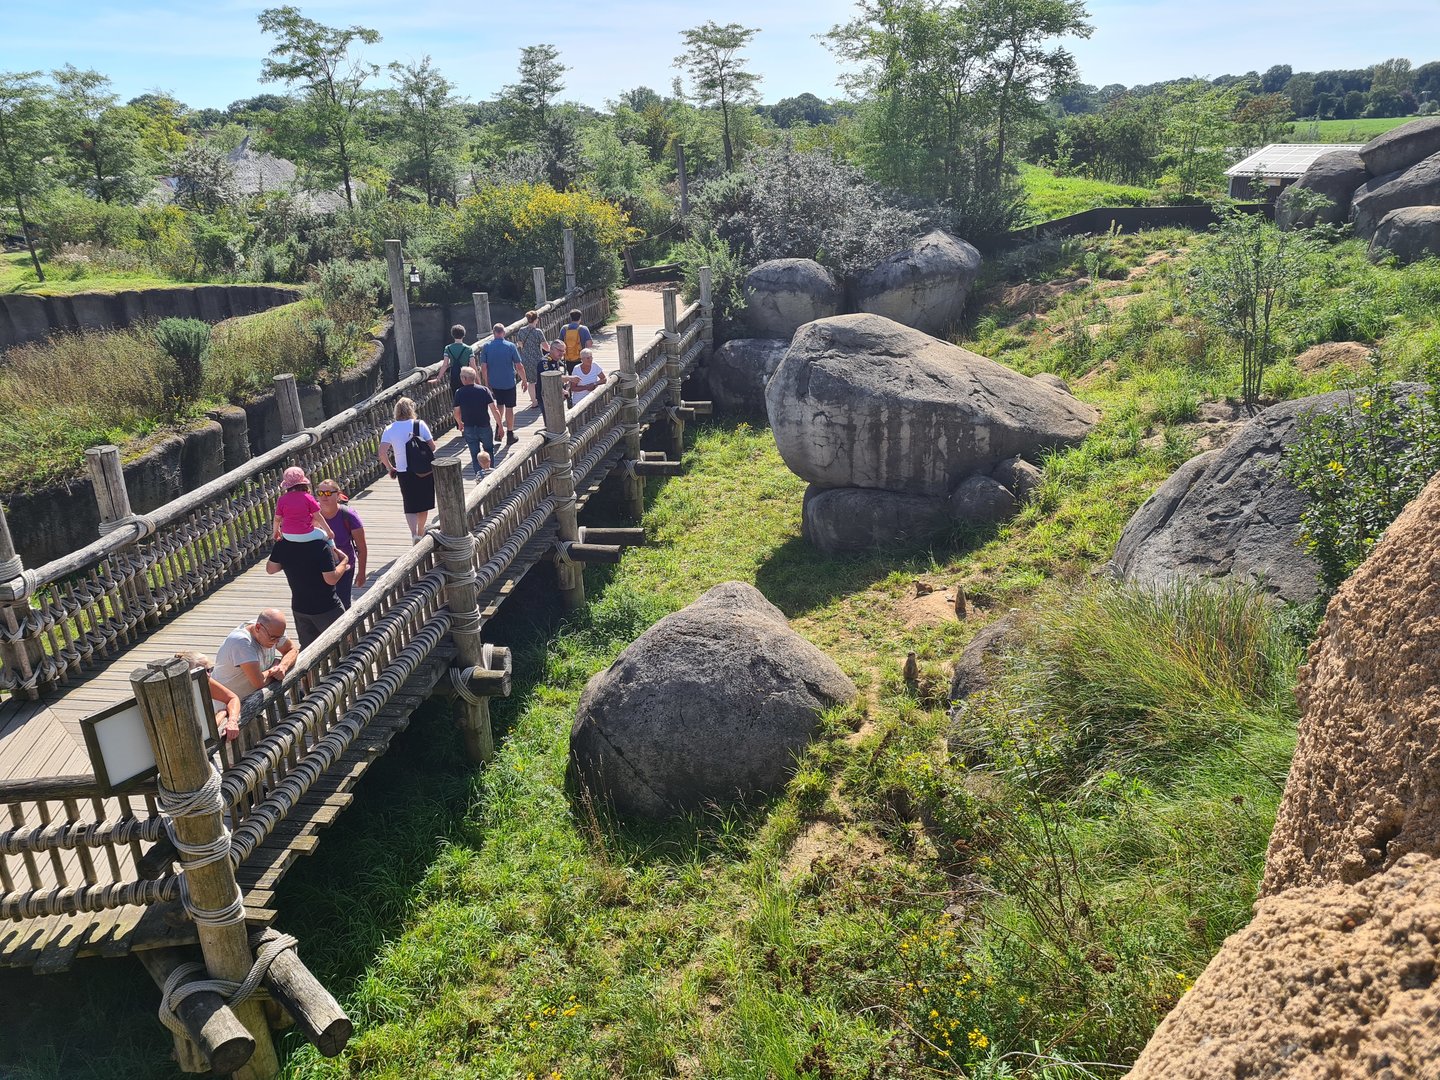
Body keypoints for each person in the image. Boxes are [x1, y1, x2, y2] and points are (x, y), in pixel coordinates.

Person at [266, 527, 350, 649]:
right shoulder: (320, 546)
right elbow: (331, 579)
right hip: (327, 608)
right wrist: (344, 562)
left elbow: (271, 569)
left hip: (300, 609)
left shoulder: (282, 545)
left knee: (308, 649)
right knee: (342, 647)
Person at [378, 397, 438, 542]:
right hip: (423, 469)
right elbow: (432, 446)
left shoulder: (390, 429)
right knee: (423, 502)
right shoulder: (419, 424)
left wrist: (390, 467)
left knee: (410, 503)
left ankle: (413, 534)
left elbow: (381, 452)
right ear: (412, 409)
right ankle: (421, 530)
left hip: (403, 470)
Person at [211, 609, 298, 698]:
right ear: (258, 628)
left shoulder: (274, 630)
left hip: (251, 698)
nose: (276, 642)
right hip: (225, 703)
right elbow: (259, 682)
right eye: (272, 638)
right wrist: (273, 669)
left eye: (280, 637)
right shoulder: (242, 643)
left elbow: (292, 650)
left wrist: (282, 666)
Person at [315, 479, 366, 608]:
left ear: (338, 495)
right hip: (319, 566)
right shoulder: (312, 514)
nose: (323, 497)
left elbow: (361, 548)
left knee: (342, 602)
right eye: (320, 493)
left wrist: (361, 573)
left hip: (344, 565)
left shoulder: (348, 515)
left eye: (328, 493)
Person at [477, 323, 527, 448]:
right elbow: (519, 366)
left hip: (494, 383)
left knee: (499, 405)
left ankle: (499, 430)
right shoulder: (510, 346)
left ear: (493, 333)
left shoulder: (487, 347)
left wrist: (487, 383)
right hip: (509, 382)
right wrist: (525, 380)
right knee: (510, 407)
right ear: (503, 333)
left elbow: (484, 367)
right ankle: (510, 434)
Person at [175, 650, 242, 743]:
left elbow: (233, 698)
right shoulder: (180, 692)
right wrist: (221, 714)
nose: (208, 675)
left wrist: (232, 721)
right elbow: (203, 731)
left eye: (209, 670)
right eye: (203, 671)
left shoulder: (205, 679)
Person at [453, 366, 500, 478]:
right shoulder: (484, 390)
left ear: (464, 378)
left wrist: (459, 422)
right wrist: (500, 426)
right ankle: (490, 475)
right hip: (484, 425)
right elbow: (494, 409)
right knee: (489, 451)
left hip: (469, 427)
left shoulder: (459, 392)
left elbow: (456, 411)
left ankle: (479, 476)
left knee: (475, 455)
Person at [273, 466, 334, 545]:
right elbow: (318, 516)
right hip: (306, 533)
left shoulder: (281, 499)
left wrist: (276, 531)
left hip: (287, 535)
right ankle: (335, 553)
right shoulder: (308, 497)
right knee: (328, 538)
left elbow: (277, 518)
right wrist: (329, 531)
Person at [512, 311, 547, 410]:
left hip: (526, 359)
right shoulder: (538, 332)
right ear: (536, 320)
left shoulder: (521, 331)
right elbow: (545, 347)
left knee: (531, 382)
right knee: (541, 379)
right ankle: (542, 398)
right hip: (538, 359)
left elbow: (519, 344)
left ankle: (534, 402)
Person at [430, 324, 476, 396]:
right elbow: (473, 365)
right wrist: (478, 379)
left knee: (457, 397)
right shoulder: (468, 349)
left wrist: (438, 378)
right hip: (466, 375)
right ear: (464, 335)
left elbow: (445, 365)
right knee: (468, 396)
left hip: (454, 376)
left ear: (453, 335)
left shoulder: (448, 348)